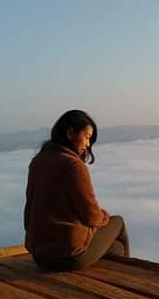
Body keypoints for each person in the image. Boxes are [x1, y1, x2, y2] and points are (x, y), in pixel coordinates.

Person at [24, 109, 130, 271]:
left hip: (40, 256)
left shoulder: (38, 160)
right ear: (71, 133)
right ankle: (128, 276)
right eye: (87, 137)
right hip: (67, 256)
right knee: (118, 222)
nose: (88, 145)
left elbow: (30, 208)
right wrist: (105, 216)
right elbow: (91, 217)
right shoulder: (73, 165)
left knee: (115, 248)